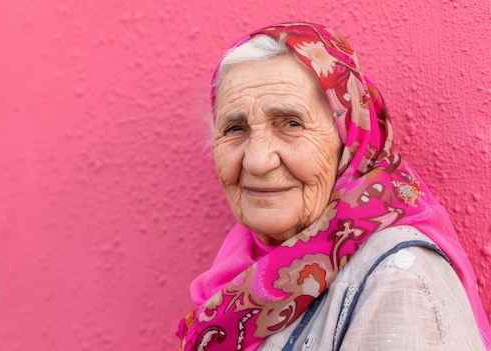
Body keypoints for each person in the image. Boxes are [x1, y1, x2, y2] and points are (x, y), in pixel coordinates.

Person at [176, 22, 491, 351]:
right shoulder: (239, 267)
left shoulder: (397, 280)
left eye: (291, 124)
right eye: (235, 128)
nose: (257, 161)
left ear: (350, 141)